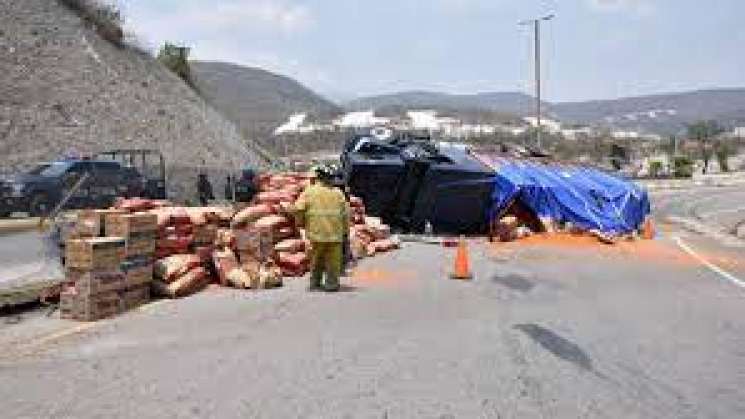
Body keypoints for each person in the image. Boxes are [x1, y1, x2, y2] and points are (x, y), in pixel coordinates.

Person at [292, 165, 349, 292]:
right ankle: (331, 284)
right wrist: (345, 233)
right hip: (335, 235)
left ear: (318, 177)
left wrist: (300, 223)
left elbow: (298, 209)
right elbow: (345, 215)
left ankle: (315, 283)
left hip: (316, 234)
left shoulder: (309, 192)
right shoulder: (338, 194)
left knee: (316, 261)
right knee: (333, 263)